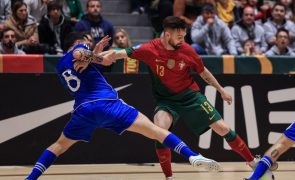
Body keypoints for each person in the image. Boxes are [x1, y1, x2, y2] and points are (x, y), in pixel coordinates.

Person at [99, 16, 280, 180]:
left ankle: (252, 162)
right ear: (167, 35)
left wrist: (221, 90)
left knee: (222, 128)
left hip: (190, 96)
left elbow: (203, 72)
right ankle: (169, 177)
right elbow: (118, 54)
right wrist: (96, 57)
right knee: (159, 130)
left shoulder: (188, 50)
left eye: (184, 36)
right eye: (179, 37)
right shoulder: (150, 49)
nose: (183, 40)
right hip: (166, 101)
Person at [25, 31, 221, 180]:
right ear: (76, 43)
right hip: (107, 104)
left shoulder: (59, 66)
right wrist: (96, 56)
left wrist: (94, 54)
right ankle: (192, 155)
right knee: (155, 130)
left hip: (83, 111)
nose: (88, 45)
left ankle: (30, 177)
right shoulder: (78, 50)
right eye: (86, 42)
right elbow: (79, 53)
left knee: (59, 145)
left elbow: (82, 62)